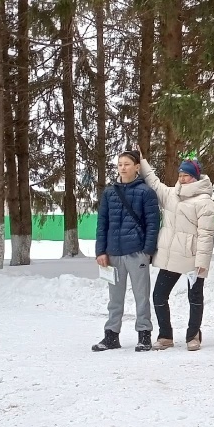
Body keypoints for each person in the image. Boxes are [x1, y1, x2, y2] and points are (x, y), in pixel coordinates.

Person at [137, 155, 214, 350]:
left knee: (194, 297)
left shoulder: (205, 202)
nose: (182, 178)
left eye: (186, 175)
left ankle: (193, 335)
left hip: (192, 258)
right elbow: (154, 183)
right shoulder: (171, 194)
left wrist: (202, 262)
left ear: (195, 177)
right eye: (180, 175)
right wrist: (142, 161)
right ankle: (165, 335)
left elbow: (206, 234)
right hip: (171, 256)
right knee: (159, 295)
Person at [92, 150, 161, 352]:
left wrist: (147, 250)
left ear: (137, 167)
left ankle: (144, 335)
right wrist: (100, 251)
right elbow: (102, 223)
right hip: (113, 254)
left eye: (127, 164)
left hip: (137, 253)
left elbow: (153, 224)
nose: (122, 168)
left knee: (141, 297)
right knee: (114, 298)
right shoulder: (110, 192)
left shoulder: (146, 192)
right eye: (120, 164)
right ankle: (111, 336)